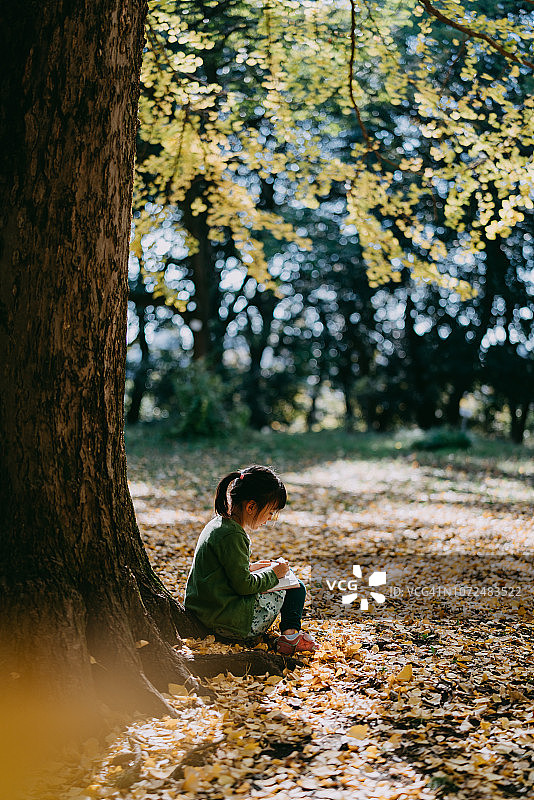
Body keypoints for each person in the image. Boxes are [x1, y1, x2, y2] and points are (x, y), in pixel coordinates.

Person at [184, 465, 318, 655]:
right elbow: (244, 586)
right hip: (226, 621)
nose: (270, 518)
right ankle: (290, 637)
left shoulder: (218, 524)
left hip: (208, 610)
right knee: (295, 587)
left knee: (286, 579)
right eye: (270, 512)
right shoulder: (233, 535)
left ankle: (290, 636)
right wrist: (273, 574)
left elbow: (222, 571)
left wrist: (252, 567)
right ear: (251, 506)